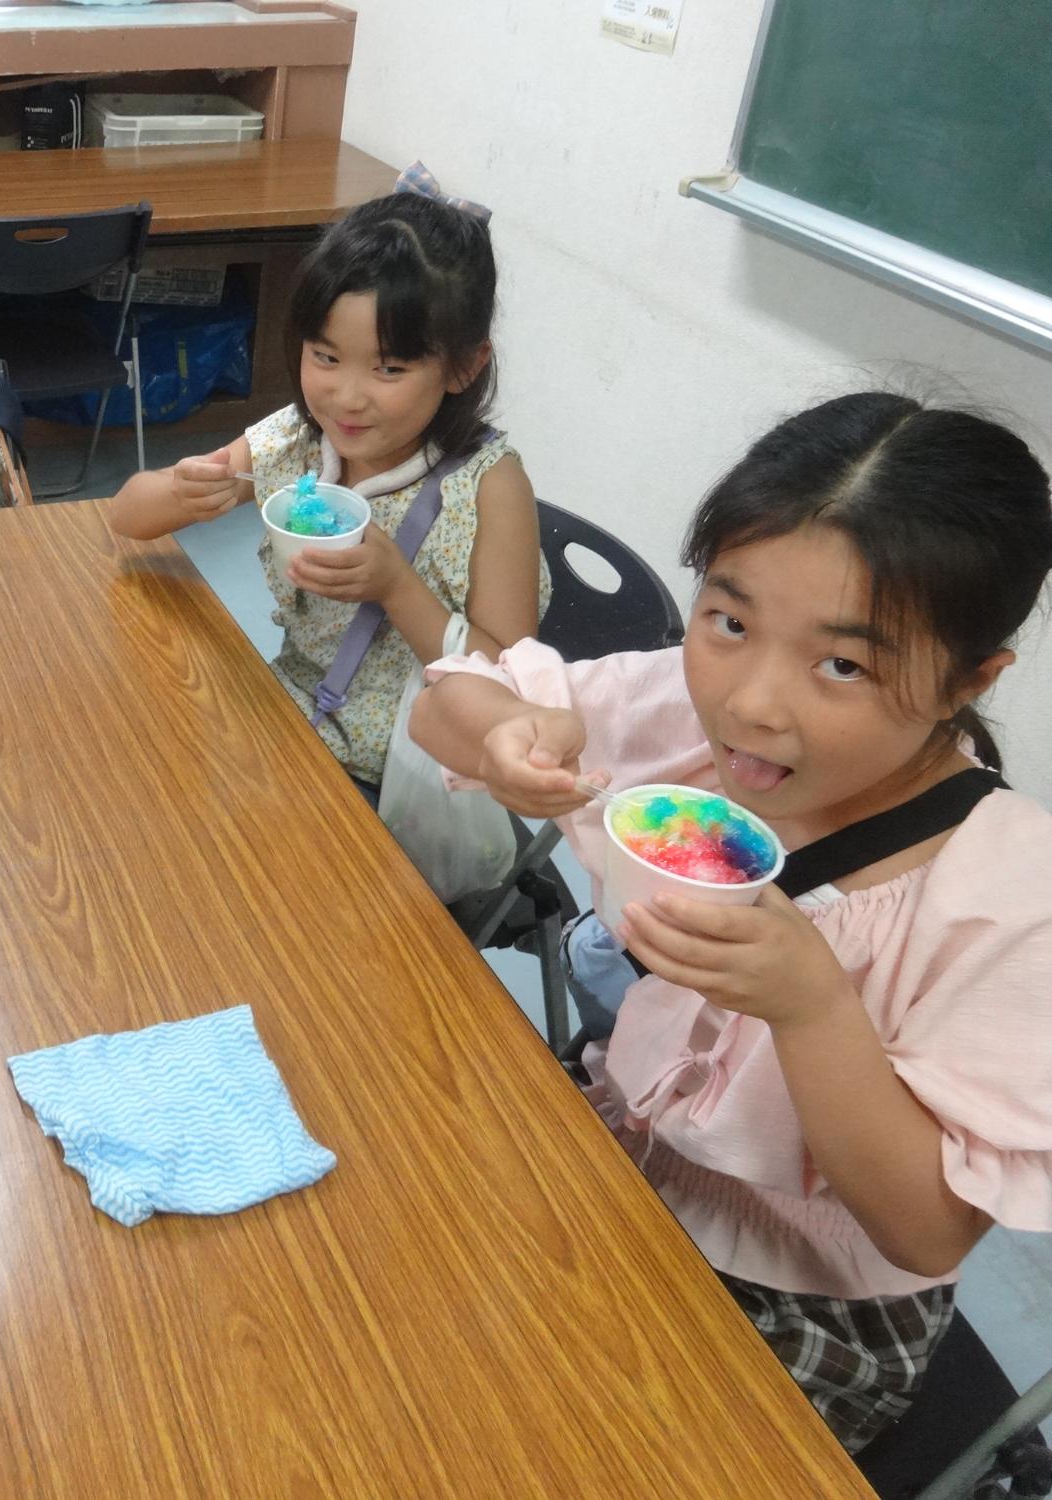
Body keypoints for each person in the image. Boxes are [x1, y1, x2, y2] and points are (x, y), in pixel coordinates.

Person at [411, 392, 1052, 1450]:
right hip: (619, 1151)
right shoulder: (687, 715)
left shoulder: (1009, 897)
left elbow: (928, 1234)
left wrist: (812, 1009)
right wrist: (508, 738)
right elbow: (452, 699)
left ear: (968, 680)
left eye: (842, 664)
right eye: (730, 620)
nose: (750, 702)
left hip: (803, 1298)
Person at [106, 177, 548, 802]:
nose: (346, 397)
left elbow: (514, 689)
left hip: (405, 777)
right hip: (292, 719)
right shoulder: (300, 439)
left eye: (389, 368)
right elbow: (126, 515)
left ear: (464, 367)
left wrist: (396, 587)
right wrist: (182, 491)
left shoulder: (491, 488)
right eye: (326, 357)